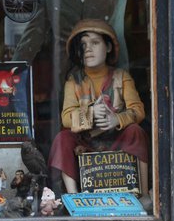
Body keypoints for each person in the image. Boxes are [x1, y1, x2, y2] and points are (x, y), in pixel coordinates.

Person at [48, 19, 149, 202]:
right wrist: (90, 114)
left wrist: (117, 119)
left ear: (108, 47)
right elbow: (66, 118)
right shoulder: (74, 81)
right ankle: (74, 196)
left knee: (136, 132)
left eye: (95, 43)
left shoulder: (121, 76)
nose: (88, 49)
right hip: (85, 143)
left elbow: (138, 110)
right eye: (83, 45)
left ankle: (143, 194)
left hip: (115, 140)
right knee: (62, 138)